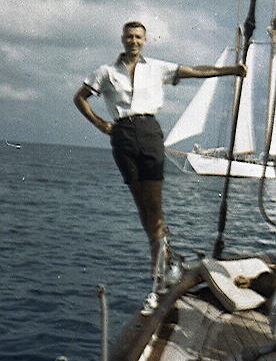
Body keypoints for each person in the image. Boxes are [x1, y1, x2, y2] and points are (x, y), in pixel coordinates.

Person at [74, 20, 247, 283]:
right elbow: (80, 98)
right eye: (129, 36)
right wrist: (100, 124)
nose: (134, 41)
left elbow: (195, 71)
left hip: (149, 132)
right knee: (142, 205)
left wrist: (231, 71)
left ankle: (159, 264)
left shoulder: (157, 68)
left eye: (138, 37)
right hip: (122, 136)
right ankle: (163, 256)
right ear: (123, 39)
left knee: (154, 205)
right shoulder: (106, 72)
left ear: (145, 41)